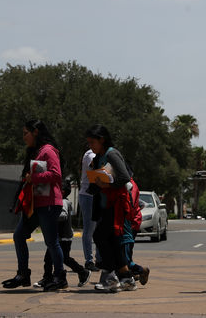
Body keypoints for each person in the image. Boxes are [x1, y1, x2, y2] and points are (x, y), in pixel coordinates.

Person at [2, 119, 66, 291]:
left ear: (35, 132)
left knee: (51, 242)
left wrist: (34, 178)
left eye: (25, 133)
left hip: (50, 204)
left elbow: (56, 174)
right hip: (35, 204)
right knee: (19, 235)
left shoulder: (48, 151)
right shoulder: (35, 152)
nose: (24, 137)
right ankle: (23, 274)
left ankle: (60, 277)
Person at [84, 124, 137, 293]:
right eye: (89, 143)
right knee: (114, 242)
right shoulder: (99, 156)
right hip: (105, 205)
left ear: (102, 140)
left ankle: (110, 276)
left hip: (116, 205)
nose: (90, 146)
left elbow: (124, 177)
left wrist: (105, 183)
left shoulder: (111, 153)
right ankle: (127, 279)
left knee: (99, 236)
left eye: (93, 142)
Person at [34, 181, 91, 288]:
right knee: (49, 259)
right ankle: (47, 278)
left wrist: (51, 215)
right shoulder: (58, 201)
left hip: (64, 238)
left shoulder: (63, 202)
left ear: (62, 192)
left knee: (64, 258)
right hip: (56, 238)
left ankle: (83, 272)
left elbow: (63, 215)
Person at [79, 148, 100, 271]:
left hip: (97, 195)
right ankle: (89, 261)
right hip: (87, 195)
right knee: (89, 229)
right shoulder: (89, 154)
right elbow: (94, 165)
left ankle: (99, 259)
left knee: (98, 229)